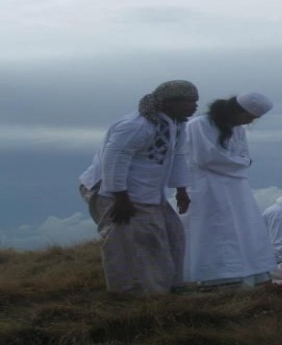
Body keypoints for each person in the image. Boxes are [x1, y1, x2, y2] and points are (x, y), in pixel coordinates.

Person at [77, 80, 199, 295]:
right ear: (167, 102)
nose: (193, 106)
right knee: (130, 242)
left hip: (148, 192)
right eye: (187, 101)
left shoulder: (176, 125)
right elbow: (114, 160)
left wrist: (181, 189)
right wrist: (120, 199)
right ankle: (134, 294)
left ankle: (167, 286)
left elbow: (178, 156)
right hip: (116, 192)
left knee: (172, 234)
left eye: (195, 101)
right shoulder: (135, 125)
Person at [181, 92, 277, 289]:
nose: (249, 121)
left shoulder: (237, 129)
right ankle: (216, 278)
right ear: (236, 111)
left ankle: (246, 275)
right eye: (248, 117)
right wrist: (239, 164)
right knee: (215, 231)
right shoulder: (198, 125)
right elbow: (207, 158)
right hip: (207, 188)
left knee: (243, 229)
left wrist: (239, 163)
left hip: (236, 189)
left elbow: (244, 157)